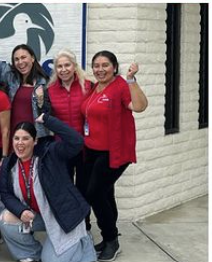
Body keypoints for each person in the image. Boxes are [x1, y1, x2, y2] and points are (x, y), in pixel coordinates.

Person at [0, 114, 96, 262]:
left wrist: (49, 121)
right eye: (16, 138)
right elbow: (5, 193)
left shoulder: (50, 155)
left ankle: (83, 239)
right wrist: (21, 210)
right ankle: (30, 254)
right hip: (37, 215)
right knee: (5, 219)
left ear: (35, 141)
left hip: (63, 217)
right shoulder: (9, 164)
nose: (20, 143)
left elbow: (76, 141)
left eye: (25, 138)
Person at [80, 51, 147, 261]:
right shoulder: (94, 88)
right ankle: (110, 236)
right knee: (105, 193)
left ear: (114, 67)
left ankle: (111, 239)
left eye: (105, 65)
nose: (100, 69)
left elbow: (139, 106)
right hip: (92, 150)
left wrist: (131, 80)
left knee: (94, 194)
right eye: (96, 65)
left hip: (114, 152)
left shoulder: (120, 87)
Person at [0, 27, 51, 137]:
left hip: (37, 138)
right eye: (16, 59)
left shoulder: (44, 82)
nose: (20, 62)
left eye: (23, 57)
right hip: (14, 137)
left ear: (33, 58)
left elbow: (51, 113)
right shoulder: (9, 76)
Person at [47, 49, 92, 183]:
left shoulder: (88, 86)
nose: (63, 69)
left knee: (84, 189)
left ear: (74, 66)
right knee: (66, 188)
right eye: (59, 66)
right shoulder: (49, 90)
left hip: (85, 147)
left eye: (67, 65)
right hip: (63, 147)